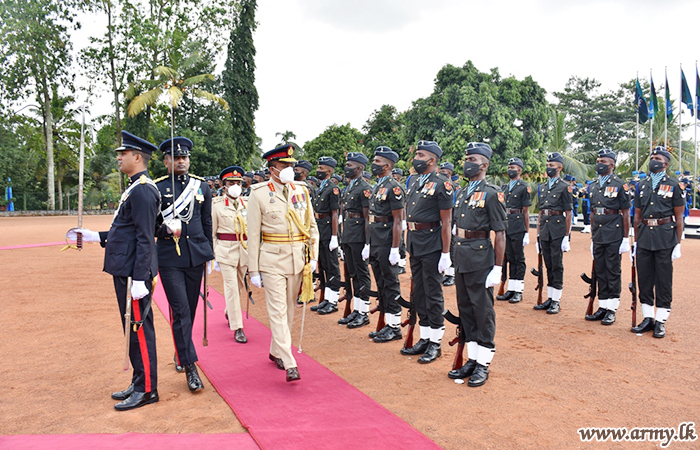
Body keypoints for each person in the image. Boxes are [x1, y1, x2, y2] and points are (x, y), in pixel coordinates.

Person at [66, 131, 160, 411]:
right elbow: (126, 231)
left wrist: (142, 277)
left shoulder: (142, 190)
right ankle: (139, 378)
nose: (118, 157)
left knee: (140, 329)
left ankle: (147, 390)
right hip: (126, 268)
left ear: (137, 157)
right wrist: (96, 236)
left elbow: (146, 236)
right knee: (131, 327)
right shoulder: (135, 187)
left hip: (135, 272)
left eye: (123, 153)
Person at [247, 144, 319, 381]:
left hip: (297, 258)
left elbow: (311, 227)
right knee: (277, 310)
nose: (290, 169)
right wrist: (253, 269)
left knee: (288, 309)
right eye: (284, 165)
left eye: (291, 165)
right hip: (271, 259)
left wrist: (314, 257)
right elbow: (253, 234)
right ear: (272, 169)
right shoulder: (258, 193)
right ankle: (290, 362)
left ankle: (276, 350)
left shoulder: (301, 190)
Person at [153, 137, 213, 392]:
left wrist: (210, 254)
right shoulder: (157, 188)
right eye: (176, 158)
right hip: (170, 259)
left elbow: (207, 221)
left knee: (190, 308)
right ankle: (191, 367)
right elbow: (150, 226)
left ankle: (181, 348)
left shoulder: (202, 187)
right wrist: (165, 230)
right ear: (166, 161)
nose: (181, 161)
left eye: (184, 157)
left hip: (195, 256)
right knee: (180, 311)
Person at [448, 142, 506, 387]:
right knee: (466, 310)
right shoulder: (462, 192)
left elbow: (501, 233)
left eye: (472, 158)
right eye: (466, 158)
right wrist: (451, 258)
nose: (467, 162)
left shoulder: (492, 193)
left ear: (484, 164)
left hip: (481, 259)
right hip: (462, 257)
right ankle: (472, 359)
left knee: (483, 312)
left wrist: (498, 268)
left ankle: (484, 363)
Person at [400, 140, 454, 363]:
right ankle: (424, 337)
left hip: (432, 244)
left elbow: (447, 221)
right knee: (419, 293)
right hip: (415, 242)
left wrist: (445, 253)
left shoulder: (442, 184)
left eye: (420, 155)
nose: (416, 158)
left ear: (431, 160)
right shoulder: (414, 182)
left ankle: (436, 343)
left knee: (433, 294)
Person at [630, 146, 684, 338]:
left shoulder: (674, 185)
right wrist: (634, 241)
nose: (654, 160)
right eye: (652, 157)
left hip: (665, 237)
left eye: (658, 158)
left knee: (663, 280)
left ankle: (661, 320)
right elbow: (636, 216)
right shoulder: (641, 185)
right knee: (644, 278)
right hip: (644, 236)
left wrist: (677, 243)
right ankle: (648, 318)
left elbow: (679, 217)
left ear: (666, 163)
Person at [584, 149, 630, 326]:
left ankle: (612, 308)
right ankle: (602, 306)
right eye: (598, 160)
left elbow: (626, 213)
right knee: (600, 270)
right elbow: (594, 212)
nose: (599, 163)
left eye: (603, 161)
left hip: (614, 232)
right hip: (599, 233)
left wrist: (625, 238)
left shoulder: (620, 185)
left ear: (611, 165)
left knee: (612, 270)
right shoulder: (594, 185)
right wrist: (593, 237)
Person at [365, 147, 406, 342]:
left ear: (388, 165)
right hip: (375, 238)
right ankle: (387, 323)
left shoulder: (393, 187)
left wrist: (396, 248)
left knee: (391, 282)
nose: (374, 164)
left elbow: (398, 220)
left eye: (378, 161)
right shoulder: (377, 185)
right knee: (381, 282)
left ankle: (395, 326)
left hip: (387, 239)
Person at [212, 165, 249, 343]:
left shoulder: (247, 204)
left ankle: (229, 311)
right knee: (232, 288)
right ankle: (238, 327)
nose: (235, 185)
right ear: (223, 185)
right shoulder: (216, 205)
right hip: (225, 250)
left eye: (238, 182)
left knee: (239, 286)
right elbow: (211, 232)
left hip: (244, 251)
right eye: (231, 182)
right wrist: (214, 256)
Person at [337, 152, 373, 329]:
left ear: (359, 168)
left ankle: (364, 312)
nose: (347, 168)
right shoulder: (350, 186)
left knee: (361, 273)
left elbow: (367, 217)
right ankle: (357, 310)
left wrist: (367, 243)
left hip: (359, 235)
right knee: (352, 273)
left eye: (350, 165)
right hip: (349, 234)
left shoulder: (365, 187)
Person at [533, 152, 573, 315]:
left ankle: (556, 300)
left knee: (556, 264)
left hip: (557, 229)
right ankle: (549, 297)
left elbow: (568, 213)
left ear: (560, 167)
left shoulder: (564, 187)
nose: (549, 168)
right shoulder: (542, 187)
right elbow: (541, 212)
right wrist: (537, 235)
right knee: (547, 263)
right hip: (545, 229)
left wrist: (566, 236)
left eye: (552, 165)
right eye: (548, 165)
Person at [496, 157, 531, 304]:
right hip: (506, 225)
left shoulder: (524, 187)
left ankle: (518, 290)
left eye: (514, 167)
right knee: (509, 257)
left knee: (518, 258)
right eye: (509, 167)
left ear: (520, 170)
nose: (511, 169)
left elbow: (526, 211)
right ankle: (511, 288)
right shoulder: (504, 188)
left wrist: (527, 232)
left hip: (517, 225)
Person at [311, 156, 342, 315]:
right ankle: (326, 299)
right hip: (319, 228)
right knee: (322, 265)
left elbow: (335, 214)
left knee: (332, 267)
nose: (318, 171)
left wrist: (335, 236)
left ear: (329, 171)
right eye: (318, 168)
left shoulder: (333, 188)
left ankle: (333, 301)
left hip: (329, 229)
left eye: (322, 169)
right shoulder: (320, 187)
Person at [439, 162, 457, 287]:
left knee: (452, 247)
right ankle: (447, 273)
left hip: (452, 221)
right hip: (442, 221)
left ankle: (452, 274)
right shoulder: (441, 185)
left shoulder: (454, 187)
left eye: (444, 171)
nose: (442, 172)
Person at [391, 168, 408, 274]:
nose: (395, 179)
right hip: (391, 219)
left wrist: (403, 220)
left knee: (401, 241)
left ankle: (402, 263)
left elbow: (404, 206)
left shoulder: (400, 189)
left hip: (400, 218)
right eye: (393, 177)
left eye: (397, 177)